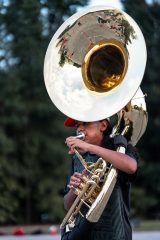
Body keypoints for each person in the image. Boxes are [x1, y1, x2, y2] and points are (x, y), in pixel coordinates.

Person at [61, 117, 139, 240]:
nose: (80, 129)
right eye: (77, 126)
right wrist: (74, 189)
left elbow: (131, 166)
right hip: (84, 232)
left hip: (114, 233)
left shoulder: (119, 148)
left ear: (103, 126)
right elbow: (67, 205)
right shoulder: (77, 158)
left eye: (85, 123)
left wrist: (89, 147)